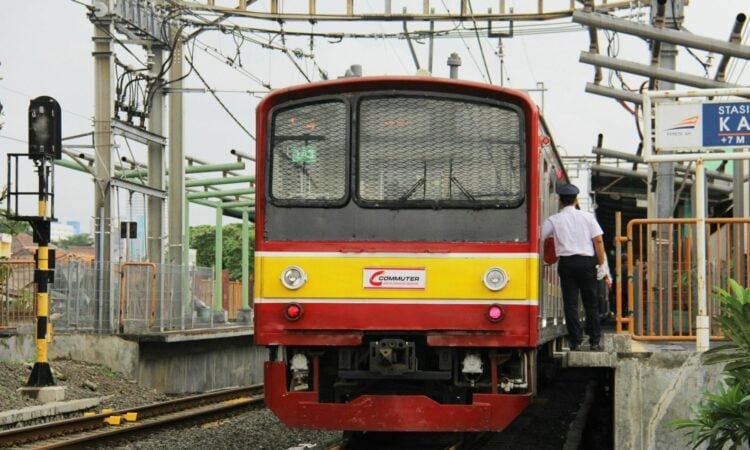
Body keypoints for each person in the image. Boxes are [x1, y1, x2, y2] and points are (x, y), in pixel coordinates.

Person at [541, 183, 610, 351]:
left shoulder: (554, 220)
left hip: (567, 264)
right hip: (586, 263)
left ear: (559, 201)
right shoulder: (587, 218)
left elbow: (539, 236)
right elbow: (598, 241)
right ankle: (594, 341)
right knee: (591, 303)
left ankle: (575, 341)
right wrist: (602, 265)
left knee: (570, 304)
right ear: (576, 199)